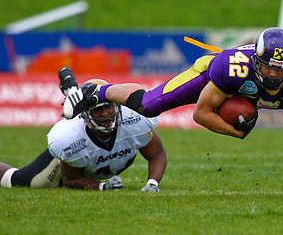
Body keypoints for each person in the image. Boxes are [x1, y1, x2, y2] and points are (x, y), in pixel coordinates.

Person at [62, 27, 283, 172]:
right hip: (208, 75)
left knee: (242, 105)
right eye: (267, 67)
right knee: (149, 105)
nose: (272, 74)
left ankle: (97, 91)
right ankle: (97, 92)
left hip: (240, 90)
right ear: (256, 61)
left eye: (279, 69)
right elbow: (200, 114)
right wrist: (235, 133)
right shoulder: (230, 69)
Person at [0, 71, 167, 191]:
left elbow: (157, 153)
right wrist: (101, 186)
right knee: (18, 182)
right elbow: (71, 179)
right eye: (97, 111)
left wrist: (152, 183)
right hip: (65, 164)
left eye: (108, 107)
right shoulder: (71, 138)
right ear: (85, 116)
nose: (105, 114)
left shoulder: (134, 120)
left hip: (90, 167)